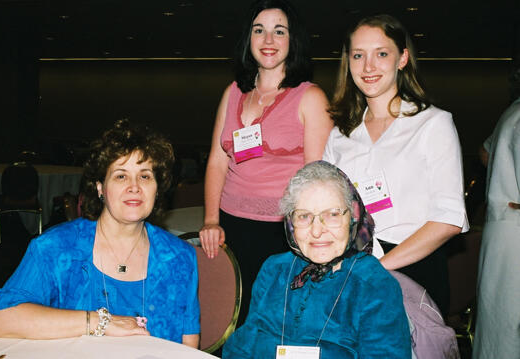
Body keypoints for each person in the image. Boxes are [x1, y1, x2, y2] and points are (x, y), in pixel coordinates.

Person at [0, 119, 200, 347]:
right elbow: (2, 320)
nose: (134, 186)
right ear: (100, 187)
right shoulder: (57, 248)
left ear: (157, 189)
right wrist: (100, 321)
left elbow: (188, 345)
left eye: (145, 176)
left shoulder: (180, 258)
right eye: (121, 175)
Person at [323, 14, 468, 316]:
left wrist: (377, 267)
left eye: (382, 54)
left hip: (414, 271)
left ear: (402, 58)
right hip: (351, 270)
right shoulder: (340, 134)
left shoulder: (432, 124)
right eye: (358, 55)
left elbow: (449, 219)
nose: (369, 67)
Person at [199, 0, 333, 322]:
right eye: (259, 30)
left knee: (278, 324)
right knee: (234, 320)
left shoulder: (310, 97)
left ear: (293, 40)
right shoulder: (232, 92)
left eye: (279, 31)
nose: (268, 40)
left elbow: (317, 179)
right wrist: (211, 220)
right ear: (249, 39)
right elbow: (218, 160)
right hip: (231, 226)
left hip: (283, 233)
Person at [222, 161, 410, 358]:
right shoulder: (274, 270)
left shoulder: (373, 285)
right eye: (304, 216)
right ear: (290, 223)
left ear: (353, 218)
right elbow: (242, 346)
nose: (317, 231)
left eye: (332, 215)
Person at [473, 66, 520, 359]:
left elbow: (484, 151)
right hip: (513, 234)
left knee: (499, 329)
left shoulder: (513, 111)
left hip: (503, 228)